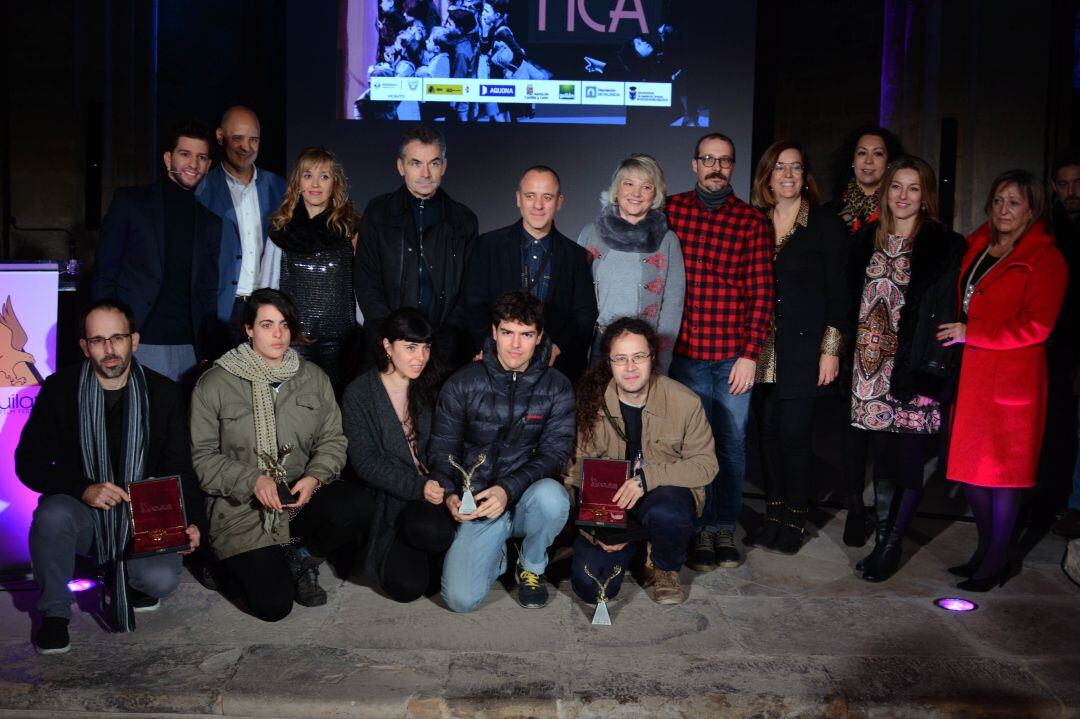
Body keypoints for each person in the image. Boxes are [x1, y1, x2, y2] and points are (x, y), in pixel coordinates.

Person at [16, 299, 204, 653]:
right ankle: (55, 613)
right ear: (85, 347)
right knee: (52, 515)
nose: (109, 349)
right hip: (83, 511)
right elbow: (28, 463)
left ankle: (131, 583)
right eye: (98, 340)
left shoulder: (163, 393)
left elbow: (181, 468)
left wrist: (192, 522)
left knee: (160, 580)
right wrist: (82, 489)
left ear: (134, 341)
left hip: (144, 516)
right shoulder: (61, 389)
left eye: (116, 338)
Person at [190, 289, 369, 621]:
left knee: (355, 504)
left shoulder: (313, 378)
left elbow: (333, 440)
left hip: (297, 498)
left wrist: (313, 478)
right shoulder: (215, 383)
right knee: (274, 606)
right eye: (267, 324)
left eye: (284, 325)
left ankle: (299, 556)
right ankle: (220, 564)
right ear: (248, 329)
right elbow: (201, 458)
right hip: (243, 506)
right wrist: (253, 480)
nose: (278, 334)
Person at [940, 170, 1067, 591]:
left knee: (1004, 478)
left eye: (1014, 202)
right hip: (974, 377)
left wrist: (970, 333)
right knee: (972, 475)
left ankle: (997, 561)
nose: (1004, 209)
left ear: (1032, 208)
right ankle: (985, 549)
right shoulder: (980, 244)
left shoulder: (1046, 257)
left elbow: (1037, 326)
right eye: (998, 200)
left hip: (1013, 381)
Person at [846, 156, 965, 582]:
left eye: (913, 188)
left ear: (925, 195)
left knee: (909, 462)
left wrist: (935, 370)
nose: (903, 196)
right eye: (897, 186)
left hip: (914, 370)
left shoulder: (944, 246)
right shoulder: (864, 242)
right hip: (869, 367)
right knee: (882, 461)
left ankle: (892, 545)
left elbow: (950, 312)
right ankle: (881, 540)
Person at [665, 132, 774, 571]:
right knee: (689, 447)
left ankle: (722, 526)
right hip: (684, 355)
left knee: (730, 446)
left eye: (724, 161)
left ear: (733, 167)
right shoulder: (670, 210)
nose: (716, 167)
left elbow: (762, 294)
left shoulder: (750, 221)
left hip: (732, 357)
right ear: (694, 164)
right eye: (707, 159)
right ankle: (693, 528)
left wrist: (751, 354)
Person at [431, 290, 573, 612]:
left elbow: (554, 454)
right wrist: (452, 492)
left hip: (526, 499)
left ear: (539, 338)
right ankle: (497, 552)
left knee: (554, 498)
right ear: (493, 333)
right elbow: (442, 448)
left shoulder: (557, 386)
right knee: (460, 600)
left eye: (526, 335)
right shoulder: (463, 383)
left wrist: (507, 490)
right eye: (507, 332)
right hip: (480, 501)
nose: (515, 345)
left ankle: (532, 566)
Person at [565, 318, 717, 606]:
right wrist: (595, 529)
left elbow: (706, 465)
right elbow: (575, 470)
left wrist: (647, 478)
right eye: (620, 359)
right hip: (609, 506)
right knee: (592, 589)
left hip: (660, 496)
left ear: (653, 358)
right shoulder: (590, 402)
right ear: (608, 362)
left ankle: (665, 566)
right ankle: (636, 547)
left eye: (639, 357)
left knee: (668, 512)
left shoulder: (685, 401)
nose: (630, 367)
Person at [747, 142, 847, 554]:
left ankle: (794, 519)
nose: (787, 175)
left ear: (805, 176)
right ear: (767, 176)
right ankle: (773, 514)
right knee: (767, 434)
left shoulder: (825, 225)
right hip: (762, 349)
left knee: (794, 435)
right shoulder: (755, 222)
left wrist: (832, 348)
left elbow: (840, 292)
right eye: (779, 168)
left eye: (796, 168)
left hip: (806, 348)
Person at [91, 121, 222, 382]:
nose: (193, 164)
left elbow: (207, 292)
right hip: (138, 340)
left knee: (180, 422)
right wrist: (109, 337)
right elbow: (106, 273)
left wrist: (208, 349)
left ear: (208, 165)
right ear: (167, 158)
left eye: (202, 157)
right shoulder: (130, 203)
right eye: (185, 154)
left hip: (189, 348)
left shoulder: (211, 222)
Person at [342, 308, 456, 602]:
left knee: (433, 532)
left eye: (425, 347)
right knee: (407, 588)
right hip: (393, 495)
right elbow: (365, 461)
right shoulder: (359, 393)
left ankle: (432, 547)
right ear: (387, 346)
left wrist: (441, 483)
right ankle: (405, 542)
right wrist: (417, 487)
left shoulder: (433, 384)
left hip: (436, 491)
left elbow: (451, 443)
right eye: (410, 347)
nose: (420, 357)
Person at [354, 126, 478, 366]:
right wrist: (391, 338)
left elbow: (469, 288)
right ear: (400, 166)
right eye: (415, 163)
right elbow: (366, 279)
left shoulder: (463, 220)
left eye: (433, 163)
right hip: (386, 343)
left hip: (443, 347)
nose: (425, 173)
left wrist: (444, 339)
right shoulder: (379, 213)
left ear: (444, 166)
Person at [465, 165, 597, 382]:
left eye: (547, 197)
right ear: (518, 199)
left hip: (553, 368)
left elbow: (585, 314)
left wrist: (556, 347)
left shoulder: (576, 255)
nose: (538, 205)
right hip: (494, 366)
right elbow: (473, 303)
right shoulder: (488, 246)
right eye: (530, 196)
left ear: (559, 202)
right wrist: (492, 347)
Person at [259, 147, 361, 391]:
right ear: (297, 182)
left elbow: (359, 289)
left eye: (324, 176)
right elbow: (268, 288)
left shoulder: (350, 230)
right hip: (294, 339)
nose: (316, 184)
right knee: (297, 411)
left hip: (342, 342)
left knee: (336, 412)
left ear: (334, 183)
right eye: (308, 175)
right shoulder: (281, 230)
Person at [577, 154, 685, 373]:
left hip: (644, 350)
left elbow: (673, 303)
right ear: (617, 189)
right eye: (629, 184)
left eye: (646, 187)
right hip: (598, 345)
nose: (636, 193)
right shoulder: (591, 235)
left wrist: (661, 359)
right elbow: (576, 296)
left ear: (655, 194)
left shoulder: (667, 241)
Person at [195, 106, 287, 345]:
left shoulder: (279, 187)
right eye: (237, 138)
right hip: (223, 310)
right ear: (220, 137)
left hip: (268, 308)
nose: (246, 147)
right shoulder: (203, 189)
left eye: (253, 139)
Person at [1047, 151, 1080, 538]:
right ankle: (1052, 501)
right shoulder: (1049, 228)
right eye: (1065, 183)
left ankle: (1073, 505)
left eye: (1078, 183)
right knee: (1056, 427)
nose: (1072, 191)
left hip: (1076, 343)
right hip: (1052, 344)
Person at [828, 126, 905, 235]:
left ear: (889, 163)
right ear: (852, 160)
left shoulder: (900, 209)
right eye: (862, 153)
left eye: (877, 153)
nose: (869, 161)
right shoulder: (830, 211)